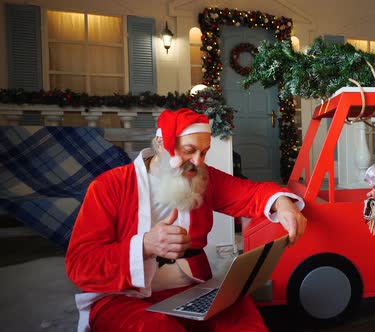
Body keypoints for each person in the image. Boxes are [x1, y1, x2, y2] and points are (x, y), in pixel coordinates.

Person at [65, 108, 307, 332]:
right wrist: (146, 245)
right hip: (123, 295)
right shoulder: (109, 186)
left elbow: (250, 193)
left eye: (204, 152)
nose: (198, 162)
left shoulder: (202, 177)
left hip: (192, 288)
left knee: (244, 320)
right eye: (189, 151)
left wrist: (281, 202)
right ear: (161, 144)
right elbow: (80, 265)